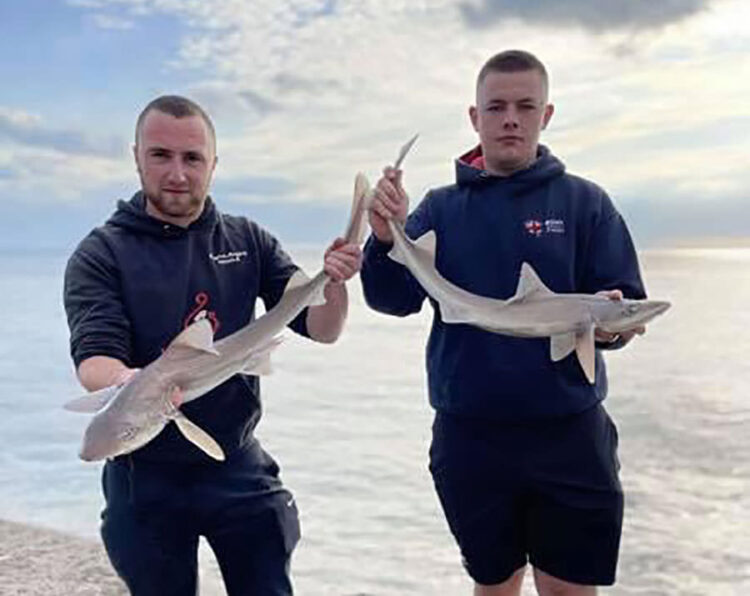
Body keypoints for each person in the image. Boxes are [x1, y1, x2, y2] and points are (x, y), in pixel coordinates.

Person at [361, 50, 648, 596]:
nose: (510, 118)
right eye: (496, 107)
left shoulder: (586, 203)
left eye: (524, 106)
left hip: (570, 435)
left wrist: (613, 326)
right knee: (495, 585)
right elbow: (393, 300)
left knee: (569, 588)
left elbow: (625, 307)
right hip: (470, 435)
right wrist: (383, 238)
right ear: (475, 117)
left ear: (547, 114)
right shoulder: (439, 209)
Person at [63, 95, 362, 596]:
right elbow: (94, 358)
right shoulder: (101, 253)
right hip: (144, 475)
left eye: (192, 158)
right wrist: (129, 383)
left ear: (213, 164)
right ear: (137, 155)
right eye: (161, 156)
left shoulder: (249, 240)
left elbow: (322, 328)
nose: (177, 173)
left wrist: (334, 282)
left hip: (236, 461)